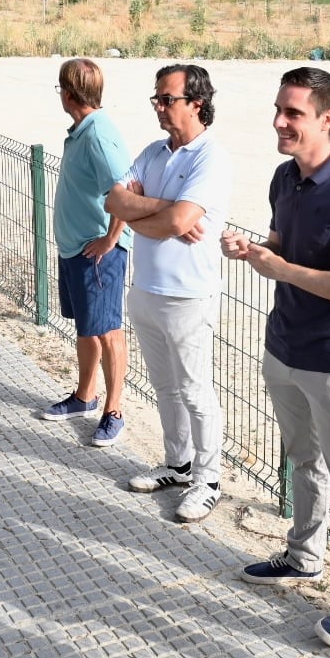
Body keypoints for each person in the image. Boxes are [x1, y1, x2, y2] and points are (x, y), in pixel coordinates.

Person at [222, 67, 330, 648]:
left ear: (327, 119)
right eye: (278, 110)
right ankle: (303, 555)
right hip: (284, 346)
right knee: (302, 462)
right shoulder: (283, 178)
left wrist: (282, 269)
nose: (279, 122)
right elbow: (283, 245)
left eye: (292, 113)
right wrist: (256, 249)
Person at [105, 64, 230, 524]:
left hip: (188, 296)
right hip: (146, 290)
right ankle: (177, 465)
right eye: (156, 98)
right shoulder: (153, 152)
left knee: (197, 393)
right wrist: (163, 209)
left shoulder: (210, 158)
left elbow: (180, 224)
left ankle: (208, 479)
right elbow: (113, 201)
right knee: (165, 388)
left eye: (167, 98)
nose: (159, 106)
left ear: (196, 102)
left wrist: (158, 216)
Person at [42, 58, 131, 447]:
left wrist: (111, 239)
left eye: (60, 87)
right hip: (76, 249)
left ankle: (114, 411)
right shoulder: (82, 130)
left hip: (98, 255)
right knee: (86, 328)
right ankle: (84, 397)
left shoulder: (97, 135)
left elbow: (124, 192)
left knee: (108, 331)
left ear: (69, 93)